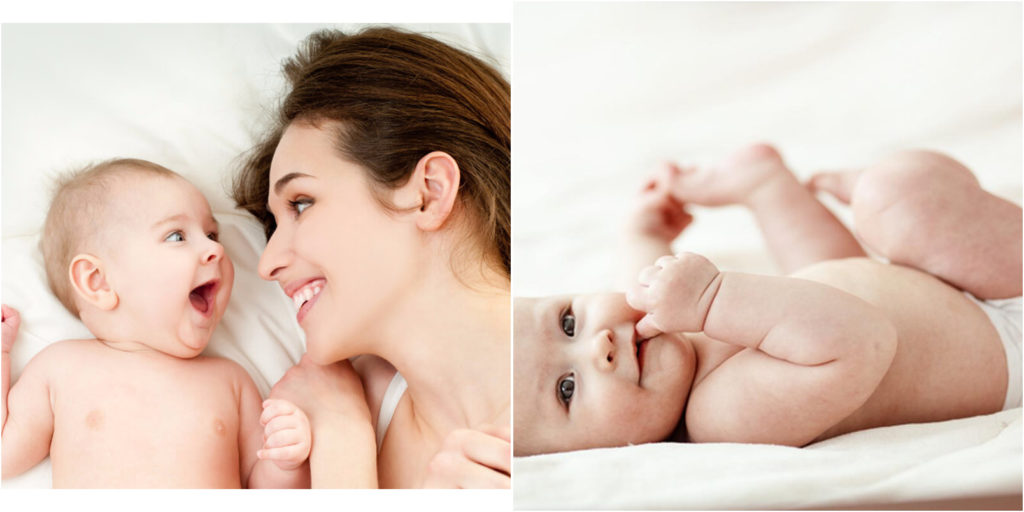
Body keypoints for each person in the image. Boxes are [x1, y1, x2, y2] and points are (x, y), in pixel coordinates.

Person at [514, 143, 1021, 455]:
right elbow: (861, 339)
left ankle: (766, 187)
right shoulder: (721, 417)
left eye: (567, 322)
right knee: (896, 197)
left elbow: (635, 274)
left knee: (823, 275)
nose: (598, 344)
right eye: (566, 389)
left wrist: (643, 230)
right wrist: (711, 298)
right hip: (1006, 333)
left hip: (915, 288)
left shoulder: (646, 333)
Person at [231, 27, 511, 488]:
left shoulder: (580, 404)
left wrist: (341, 444)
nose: (267, 264)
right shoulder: (314, 421)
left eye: (301, 203)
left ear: (429, 193)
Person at [1, 159, 311, 488]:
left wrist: (285, 463)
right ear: (97, 282)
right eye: (177, 236)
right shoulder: (60, 368)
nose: (215, 249)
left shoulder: (232, 382)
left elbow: (261, 487)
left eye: (211, 234)